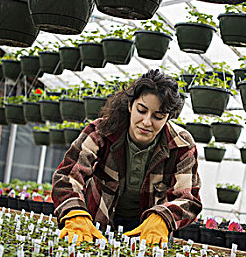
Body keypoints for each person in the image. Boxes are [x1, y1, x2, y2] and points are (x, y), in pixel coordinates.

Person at [51, 69, 202, 246]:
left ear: (168, 117)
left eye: (158, 116)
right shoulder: (102, 131)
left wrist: (162, 219)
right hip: (96, 224)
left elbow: (187, 196)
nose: (147, 122)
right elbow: (68, 175)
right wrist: (75, 214)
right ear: (130, 105)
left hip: (149, 231)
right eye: (141, 110)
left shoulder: (181, 145)